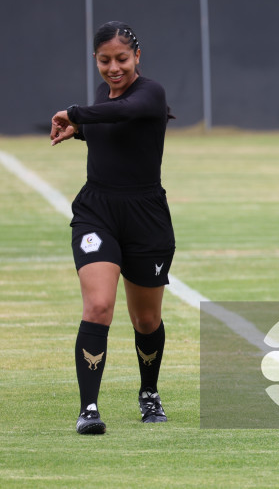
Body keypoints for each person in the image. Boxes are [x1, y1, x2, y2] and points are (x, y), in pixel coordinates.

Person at [50, 21, 176, 434]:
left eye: (121, 59)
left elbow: (126, 113)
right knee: (99, 306)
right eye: (105, 60)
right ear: (95, 60)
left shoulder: (150, 93)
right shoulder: (104, 97)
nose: (113, 68)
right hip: (97, 211)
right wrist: (81, 131)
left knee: (145, 320)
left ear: (137, 57)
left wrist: (75, 114)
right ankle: (88, 409)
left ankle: (149, 393)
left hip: (146, 217)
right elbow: (114, 125)